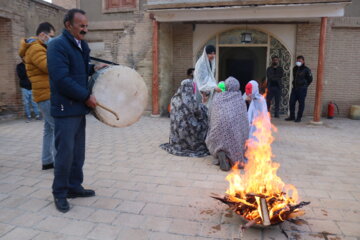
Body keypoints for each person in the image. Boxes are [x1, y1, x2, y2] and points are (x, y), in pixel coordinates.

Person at [47, 9, 106, 213]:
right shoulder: (57, 45)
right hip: (65, 108)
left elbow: (77, 69)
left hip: (78, 109)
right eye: (81, 25)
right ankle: (60, 193)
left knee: (77, 152)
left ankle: (74, 186)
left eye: (86, 25)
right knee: (65, 153)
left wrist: (92, 69)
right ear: (68, 25)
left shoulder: (82, 45)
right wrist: (86, 96)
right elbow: (61, 79)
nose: (85, 29)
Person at [19, 22, 56, 170]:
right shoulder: (35, 48)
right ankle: (61, 165)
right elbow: (49, 66)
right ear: (43, 35)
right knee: (58, 129)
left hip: (44, 93)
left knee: (49, 129)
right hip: (46, 94)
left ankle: (47, 160)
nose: (52, 39)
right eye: (51, 36)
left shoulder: (38, 47)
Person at [206, 77, 249, 171]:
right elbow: (244, 121)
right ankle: (233, 160)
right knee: (239, 134)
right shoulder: (240, 99)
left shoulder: (219, 97)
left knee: (215, 131)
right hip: (235, 135)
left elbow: (212, 116)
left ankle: (221, 153)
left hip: (218, 134)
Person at [160, 76, 209, 157]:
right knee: (205, 120)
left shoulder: (174, 99)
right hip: (189, 133)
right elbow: (200, 114)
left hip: (176, 134)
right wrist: (204, 104)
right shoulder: (190, 99)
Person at [285, 56, 313, 122]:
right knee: (291, 102)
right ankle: (292, 116)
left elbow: (310, 79)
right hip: (294, 89)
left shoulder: (306, 69)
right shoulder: (295, 68)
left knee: (301, 104)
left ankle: (299, 118)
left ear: (303, 61)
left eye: (300, 61)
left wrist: (305, 85)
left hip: (302, 89)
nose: (298, 62)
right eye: (297, 61)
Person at [193, 45, 221, 110]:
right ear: (206, 54)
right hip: (199, 90)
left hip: (207, 91)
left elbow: (210, 77)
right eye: (210, 53)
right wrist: (214, 86)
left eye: (214, 53)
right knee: (199, 109)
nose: (213, 55)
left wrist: (213, 86)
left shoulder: (211, 62)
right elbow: (202, 80)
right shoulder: (201, 64)